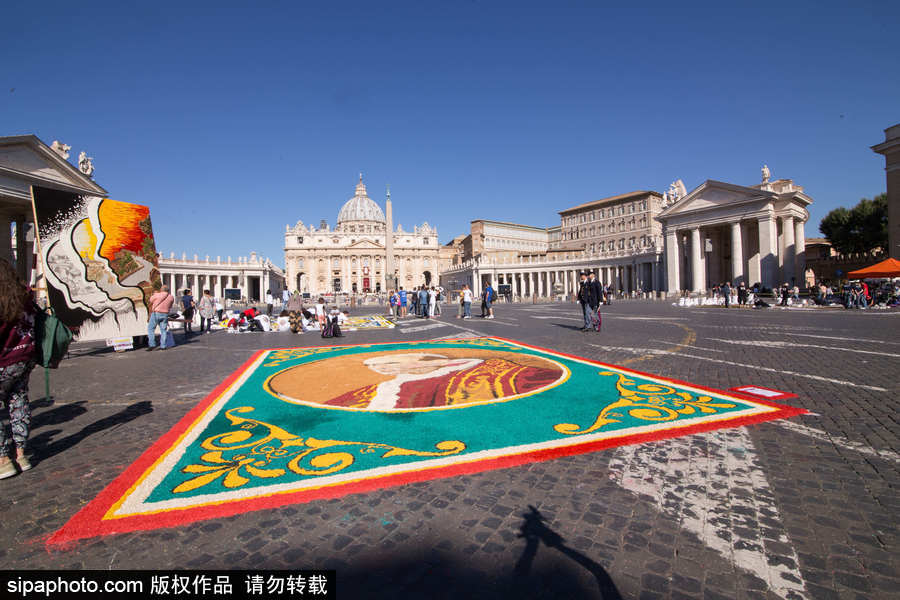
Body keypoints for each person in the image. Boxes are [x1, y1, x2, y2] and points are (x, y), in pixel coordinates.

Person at [0, 259, 38, 478]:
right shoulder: (24, 296)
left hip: (3, 359)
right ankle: (21, 454)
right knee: (19, 403)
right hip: (23, 357)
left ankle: (3, 459)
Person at [147, 283, 175, 351]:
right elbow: (170, 306)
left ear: (161, 289)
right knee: (163, 330)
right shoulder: (171, 297)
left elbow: (150, 300)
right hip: (165, 314)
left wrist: (154, 295)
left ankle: (152, 344)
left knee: (151, 329)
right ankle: (163, 345)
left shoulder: (157, 295)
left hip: (156, 313)